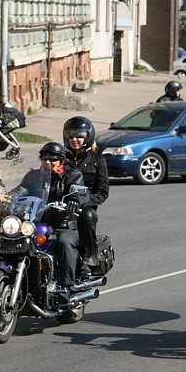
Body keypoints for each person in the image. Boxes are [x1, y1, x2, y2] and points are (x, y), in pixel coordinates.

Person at [8, 142, 84, 298]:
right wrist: (6, 197)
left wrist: (74, 200)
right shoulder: (33, 176)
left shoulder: (73, 175)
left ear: (62, 160)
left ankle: (65, 286)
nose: (48, 162)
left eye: (53, 159)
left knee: (64, 242)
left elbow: (77, 190)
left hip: (63, 224)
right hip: (36, 222)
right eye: (44, 159)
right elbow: (22, 189)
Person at [63, 116, 110, 276]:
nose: (74, 139)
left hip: (84, 207)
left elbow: (102, 192)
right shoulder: (60, 159)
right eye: (71, 136)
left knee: (87, 216)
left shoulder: (97, 161)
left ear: (88, 138)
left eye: (79, 136)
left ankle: (86, 260)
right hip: (61, 204)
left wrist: (83, 202)